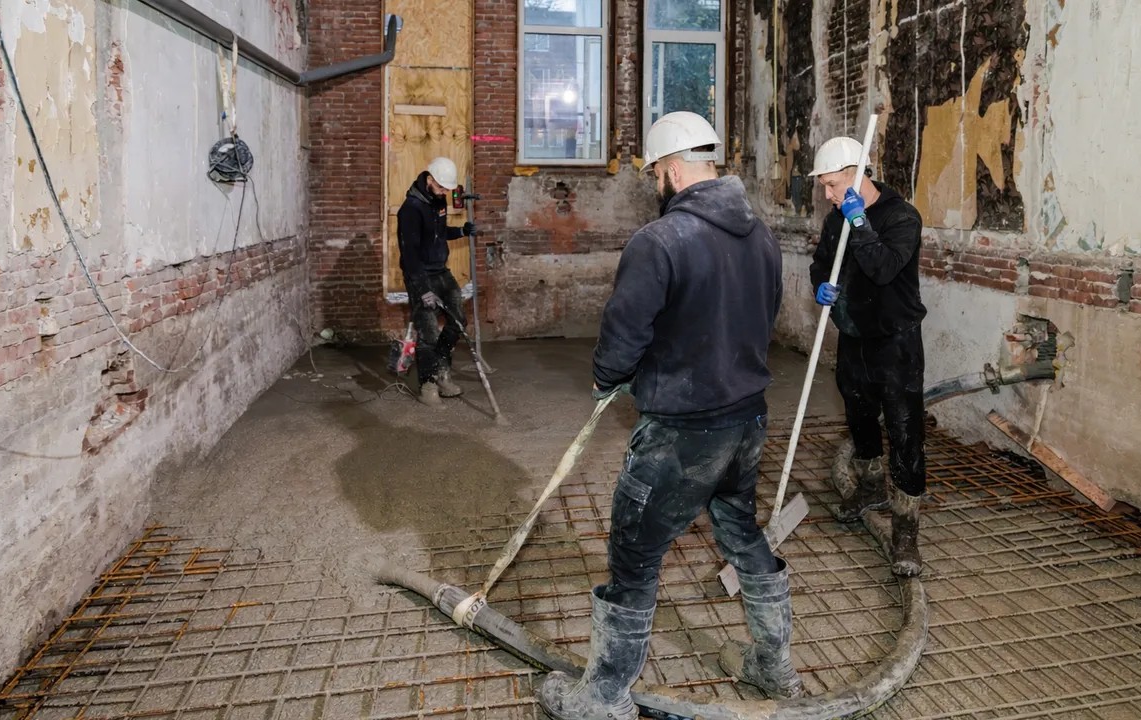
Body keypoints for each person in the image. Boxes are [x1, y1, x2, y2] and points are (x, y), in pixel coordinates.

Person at [535, 112, 801, 720]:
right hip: (747, 423)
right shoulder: (761, 236)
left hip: (682, 433)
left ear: (674, 170)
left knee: (634, 553)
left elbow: (623, 334)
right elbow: (764, 314)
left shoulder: (658, 242)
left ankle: (604, 697)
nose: (657, 181)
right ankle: (772, 663)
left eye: (656, 172)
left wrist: (610, 376)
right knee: (742, 533)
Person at [807, 136, 928, 577]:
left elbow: (881, 268)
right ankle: (872, 486)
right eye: (824, 187)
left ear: (860, 177)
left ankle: (906, 530)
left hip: (895, 340)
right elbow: (822, 263)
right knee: (858, 416)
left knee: (903, 427)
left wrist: (859, 223)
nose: (828, 195)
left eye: (834, 185)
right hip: (853, 335)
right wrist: (821, 284)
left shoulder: (901, 217)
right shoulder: (836, 219)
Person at [396, 157, 477, 407]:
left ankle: (442, 370)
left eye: (446, 188)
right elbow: (409, 254)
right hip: (419, 275)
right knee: (429, 332)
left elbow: (438, 235)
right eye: (441, 187)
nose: (444, 192)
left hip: (441, 272)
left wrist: (461, 231)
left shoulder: (438, 200)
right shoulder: (410, 210)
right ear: (429, 180)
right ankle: (428, 384)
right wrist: (422, 290)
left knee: (458, 322)